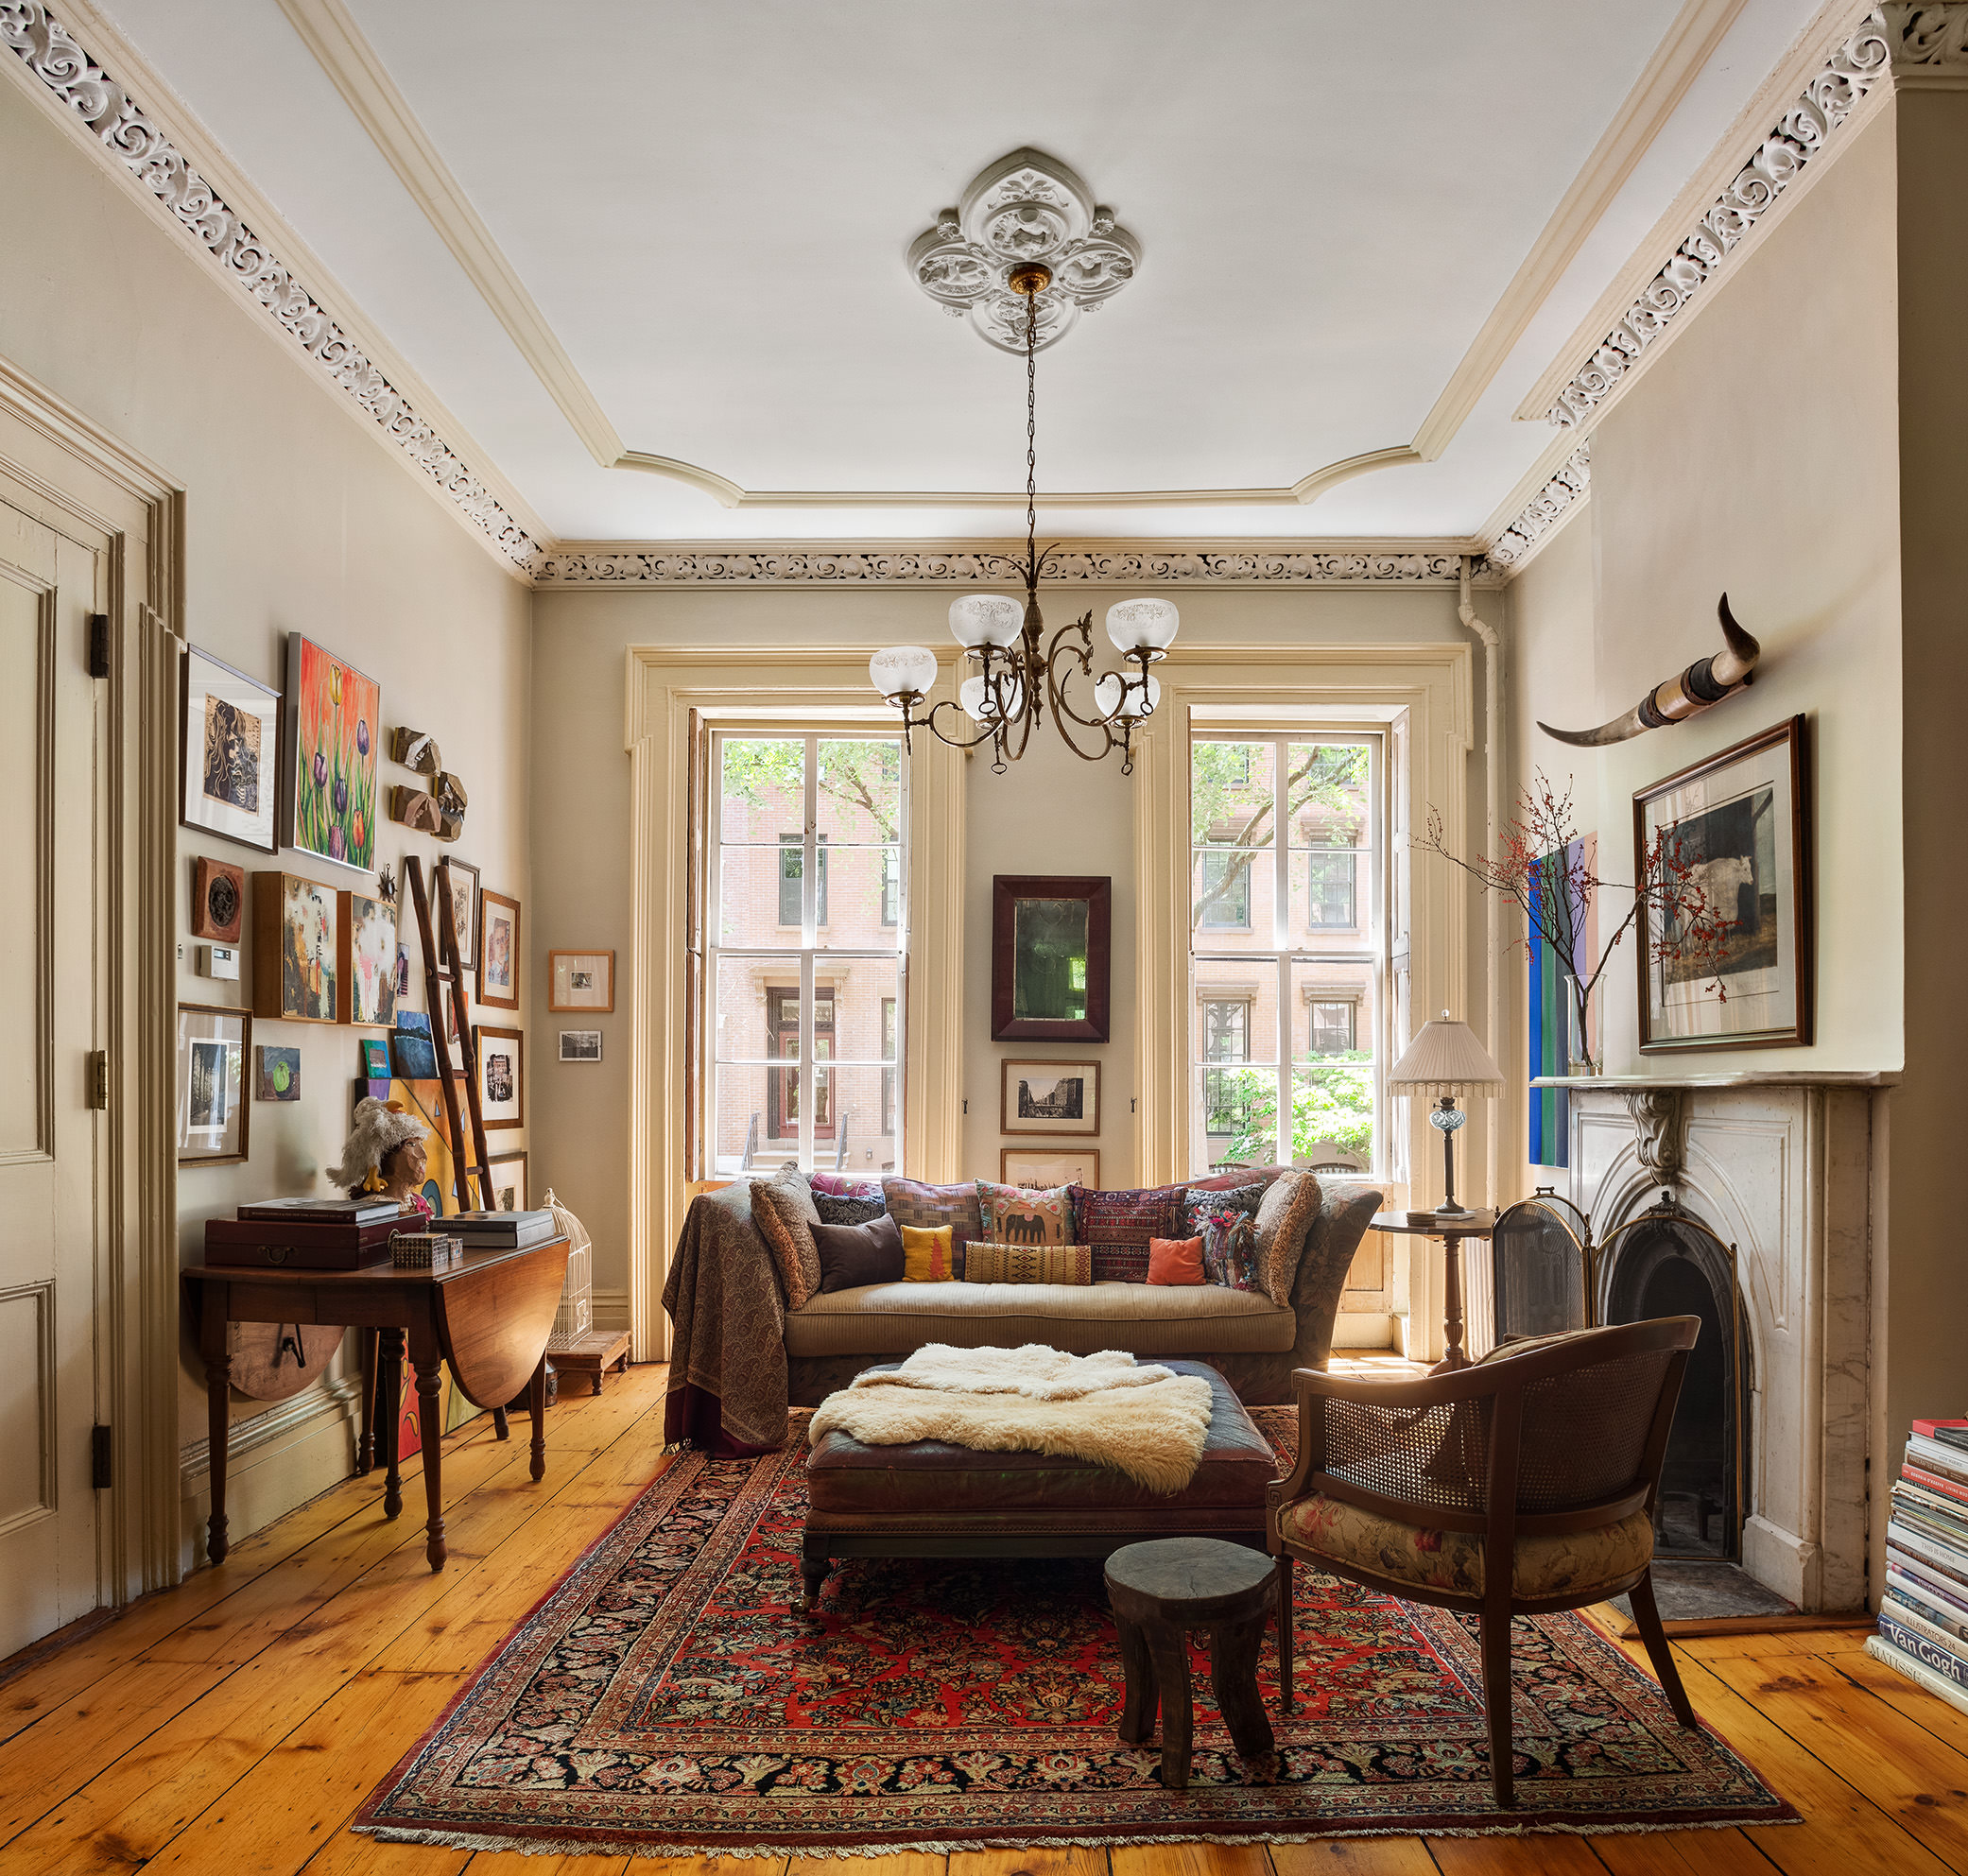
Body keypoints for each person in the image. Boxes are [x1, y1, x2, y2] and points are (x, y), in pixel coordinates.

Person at [327, 1096, 434, 1218]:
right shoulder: (375, 1206)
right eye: (410, 1144)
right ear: (384, 1156)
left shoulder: (419, 1201)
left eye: (421, 1144)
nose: (423, 1155)